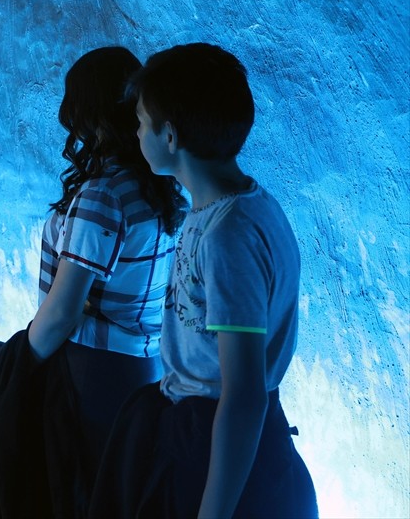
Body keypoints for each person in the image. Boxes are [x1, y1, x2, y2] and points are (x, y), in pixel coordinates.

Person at [90, 42, 316, 518]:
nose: (134, 132)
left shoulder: (229, 234)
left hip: (219, 445)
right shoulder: (225, 208)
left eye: (139, 121)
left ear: (169, 136)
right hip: (198, 430)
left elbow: (244, 393)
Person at [0, 46, 184, 518]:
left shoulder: (103, 193)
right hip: (143, 367)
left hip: (91, 371)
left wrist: (19, 367)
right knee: (120, 491)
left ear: (88, 113)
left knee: (77, 493)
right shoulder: (158, 188)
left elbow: (64, 309)